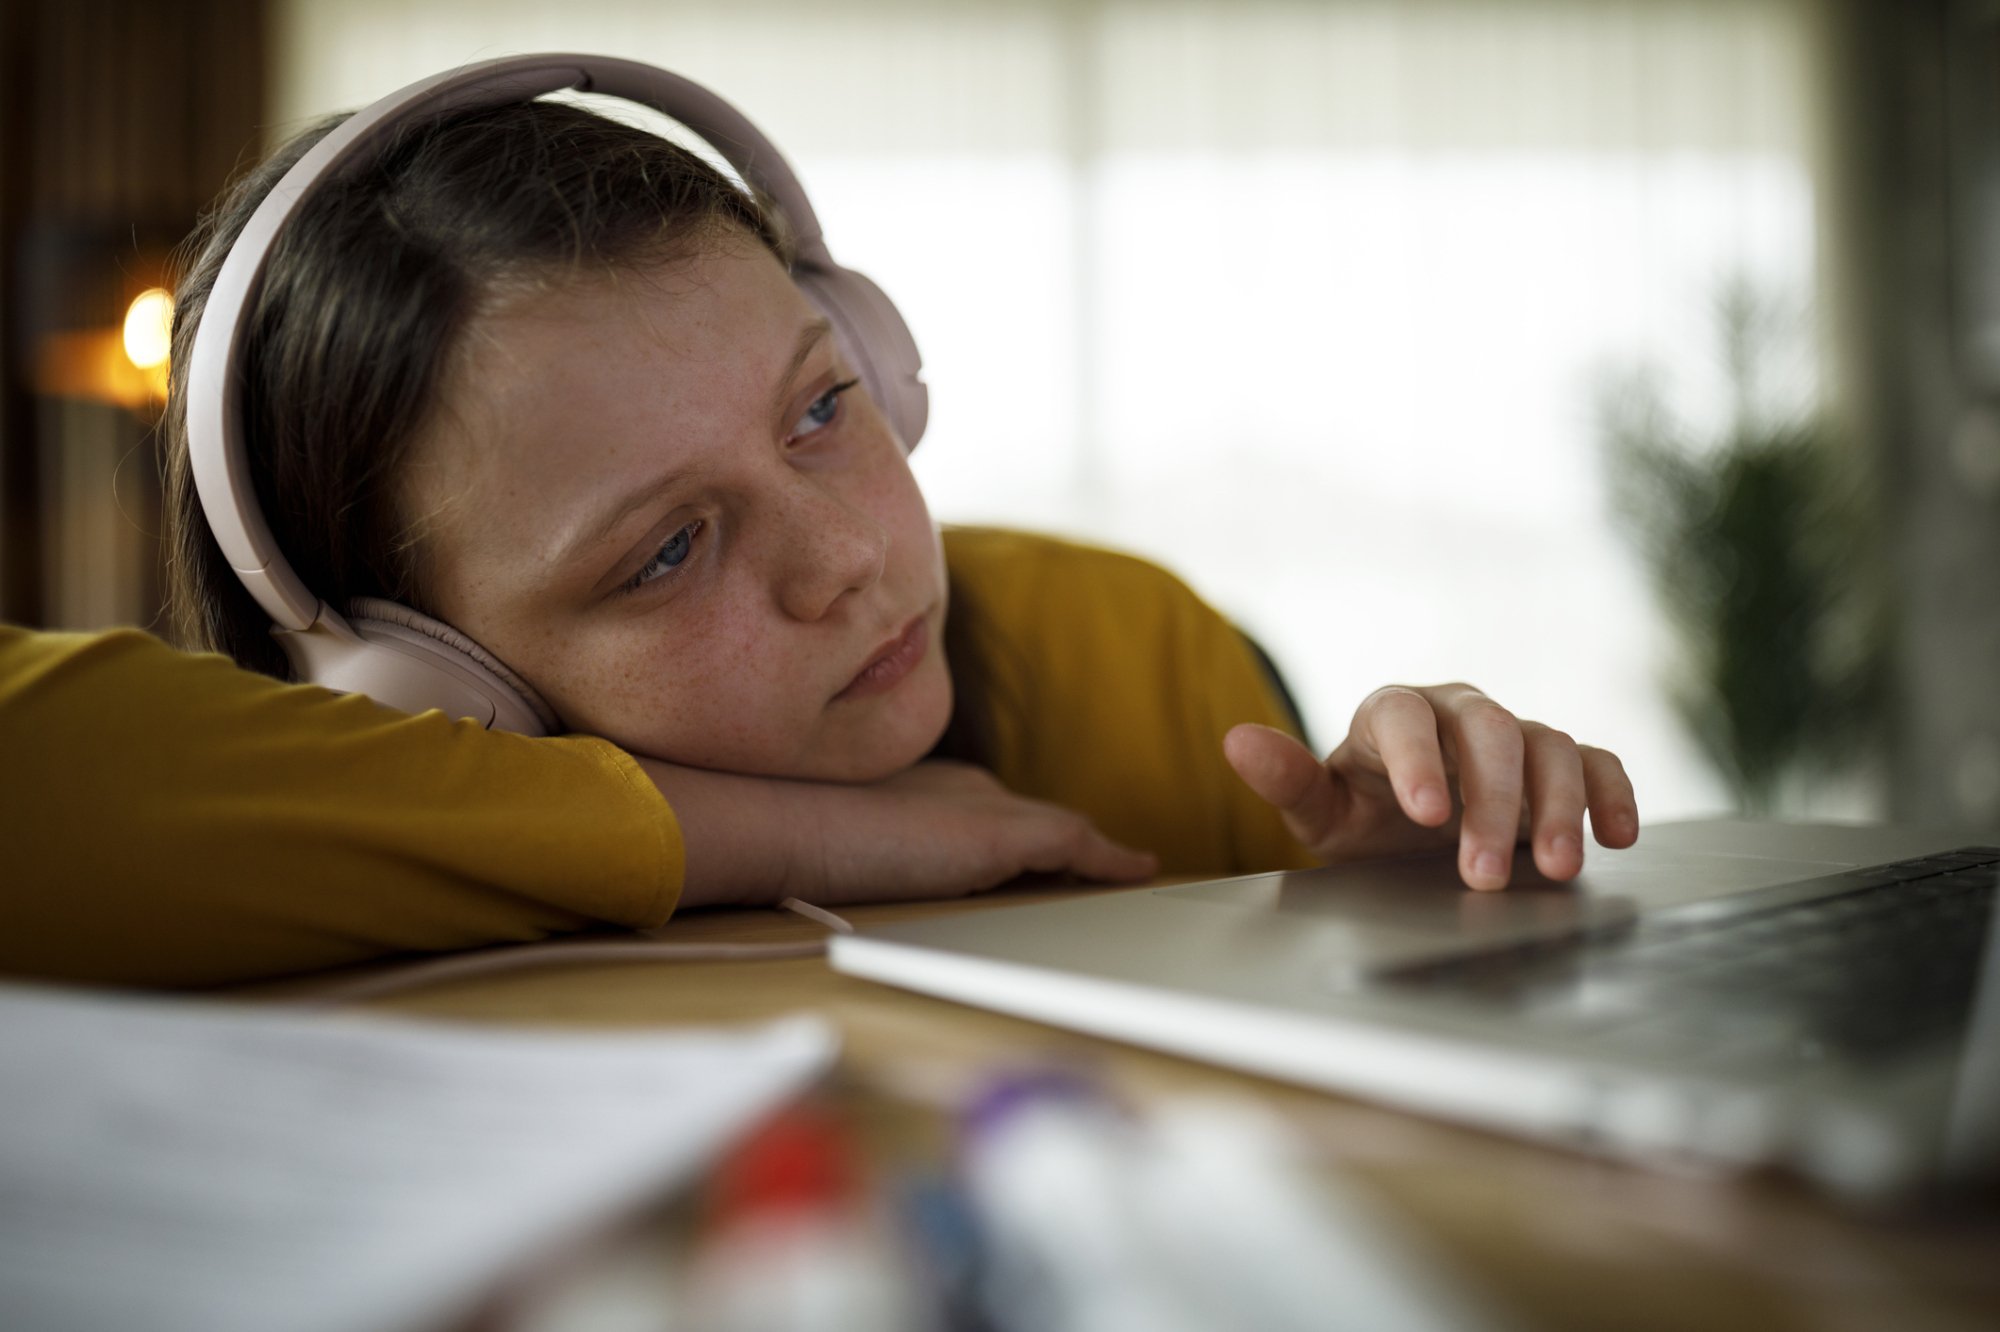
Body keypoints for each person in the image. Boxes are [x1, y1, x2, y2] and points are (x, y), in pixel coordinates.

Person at [125, 92, 1634, 984]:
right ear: (428, 686)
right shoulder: (341, 868)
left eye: (821, 408)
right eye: (665, 552)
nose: (844, 556)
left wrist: (1421, 923)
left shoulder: (1121, 643)